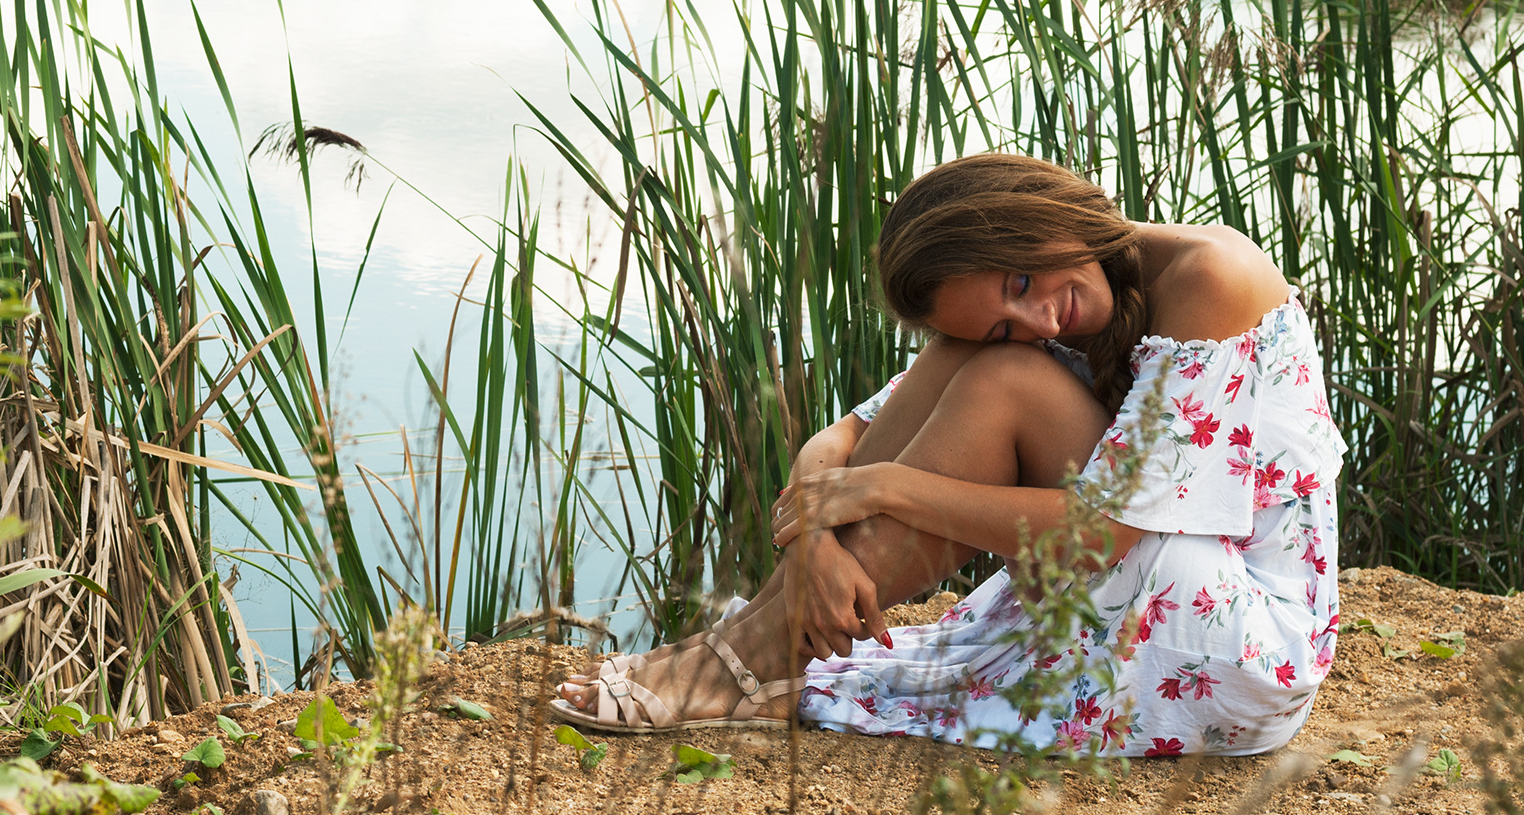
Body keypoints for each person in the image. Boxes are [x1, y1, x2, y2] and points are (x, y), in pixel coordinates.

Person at [552, 153, 1345, 757]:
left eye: (1024, 276)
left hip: (1243, 643)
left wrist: (887, 489)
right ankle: (755, 641)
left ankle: (748, 659)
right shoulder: (1052, 316)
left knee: (1001, 379)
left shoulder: (1211, 277)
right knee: (966, 363)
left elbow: (1100, 535)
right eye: (1005, 315)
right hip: (1153, 585)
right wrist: (819, 536)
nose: (1039, 316)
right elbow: (843, 440)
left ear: (1036, 216)